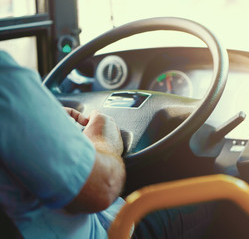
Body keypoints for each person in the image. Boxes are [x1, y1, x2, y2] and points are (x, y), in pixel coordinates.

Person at [0, 51, 223, 239]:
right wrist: (103, 140)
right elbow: (102, 188)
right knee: (216, 196)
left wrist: (52, 120)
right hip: (111, 232)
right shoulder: (6, 79)